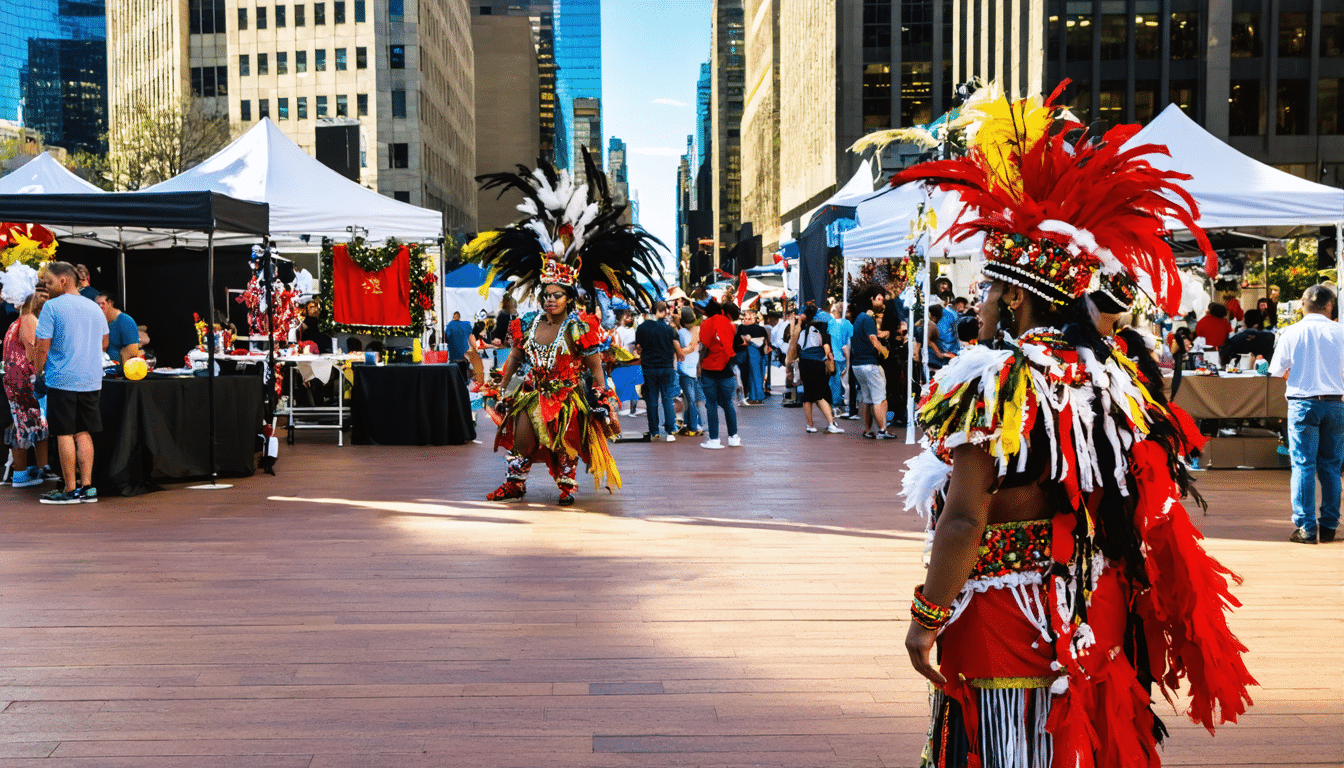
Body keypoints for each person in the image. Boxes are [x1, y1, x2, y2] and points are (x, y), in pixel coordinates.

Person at [893, 86, 1253, 767]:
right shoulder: (1113, 378)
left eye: (987, 289)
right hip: (1095, 606)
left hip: (1006, 618)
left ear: (1017, 294)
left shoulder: (994, 382)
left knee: (1003, 748)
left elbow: (965, 518)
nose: (979, 304)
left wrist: (926, 617)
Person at [466, 152, 659, 505]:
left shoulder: (579, 327)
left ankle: (567, 485)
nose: (550, 300)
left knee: (565, 441)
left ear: (570, 298)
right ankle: (515, 484)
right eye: (546, 295)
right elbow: (515, 357)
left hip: (567, 397)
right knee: (522, 439)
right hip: (531, 392)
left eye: (557, 295)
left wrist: (601, 395)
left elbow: (595, 366)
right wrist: (501, 384)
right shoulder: (528, 323)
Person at [1268, 284, 1344, 544]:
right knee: (1331, 466)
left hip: (1302, 404)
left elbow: (1276, 370)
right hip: (1336, 404)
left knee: (1303, 465)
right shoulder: (1340, 331)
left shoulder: (1291, 332)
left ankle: (1306, 528)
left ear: (1303, 305)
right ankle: (1330, 525)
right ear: (1330, 306)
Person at [34, 261, 108, 504]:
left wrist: (38, 373)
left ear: (63, 280)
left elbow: (42, 347)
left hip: (62, 379)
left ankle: (69, 490)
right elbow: (104, 343)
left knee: (64, 433)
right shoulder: (94, 307)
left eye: (49, 282)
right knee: (83, 432)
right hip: (90, 379)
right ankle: (87, 488)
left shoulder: (51, 307)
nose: (47, 287)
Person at [3, 287, 50, 488]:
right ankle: (21, 474)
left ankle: (38, 468)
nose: (46, 300)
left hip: (16, 380)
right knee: (25, 425)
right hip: (25, 381)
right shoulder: (29, 319)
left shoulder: (18, 321)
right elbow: (33, 353)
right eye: (42, 296)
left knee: (32, 424)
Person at [849, 286, 895, 440]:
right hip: (870, 363)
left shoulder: (859, 318)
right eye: (880, 299)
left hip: (857, 364)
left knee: (866, 398)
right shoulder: (868, 319)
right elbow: (873, 339)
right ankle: (882, 430)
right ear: (871, 299)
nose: (882, 303)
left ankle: (868, 430)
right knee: (880, 398)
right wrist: (884, 351)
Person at [789, 306, 844, 434]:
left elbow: (793, 340)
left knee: (808, 394)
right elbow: (826, 348)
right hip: (818, 362)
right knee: (819, 394)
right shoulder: (822, 326)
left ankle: (810, 425)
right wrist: (830, 360)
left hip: (804, 361)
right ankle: (831, 423)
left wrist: (794, 323)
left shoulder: (801, 327)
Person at [697, 298, 741, 449]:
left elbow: (703, 344)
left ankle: (714, 439)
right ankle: (733, 437)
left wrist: (700, 364)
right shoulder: (730, 325)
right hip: (726, 369)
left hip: (709, 369)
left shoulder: (706, 323)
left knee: (711, 404)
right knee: (728, 404)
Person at [633, 301, 679, 441]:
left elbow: (638, 346)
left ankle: (654, 431)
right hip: (666, 366)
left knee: (652, 400)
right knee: (667, 398)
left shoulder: (642, 328)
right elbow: (675, 345)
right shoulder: (668, 328)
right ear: (663, 311)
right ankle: (670, 429)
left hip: (649, 367)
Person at [674, 306, 705, 437]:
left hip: (684, 368)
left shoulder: (681, 332)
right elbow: (695, 348)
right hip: (693, 368)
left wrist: (681, 352)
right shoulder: (697, 330)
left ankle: (692, 425)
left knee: (690, 399)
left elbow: (686, 349)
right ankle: (694, 424)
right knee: (692, 399)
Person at [94, 292, 140, 363]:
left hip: (118, 366)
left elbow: (132, 351)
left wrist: (122, 367)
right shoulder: (100, 321)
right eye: (96, 305)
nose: (99, 307)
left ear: (110, 303)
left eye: (102, 304)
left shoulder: (125, 320)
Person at [737, 308, 770, 404]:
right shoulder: (761, 329)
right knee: (756, 376)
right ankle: (755, 396)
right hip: (757, 355)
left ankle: (755, 396)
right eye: (745, 318)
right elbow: (767, 342)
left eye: (748, 318)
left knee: (753, 376)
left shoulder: (742, 328)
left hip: (751, 354)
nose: (746, 320)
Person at [828, 302, 853, 410]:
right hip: (846, 355)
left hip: (834, 356)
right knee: (845, 381)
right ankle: (845, 400)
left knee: (835, 382)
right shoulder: (848, 324)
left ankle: (836, 403)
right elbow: (850, 339)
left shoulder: (830, 323)